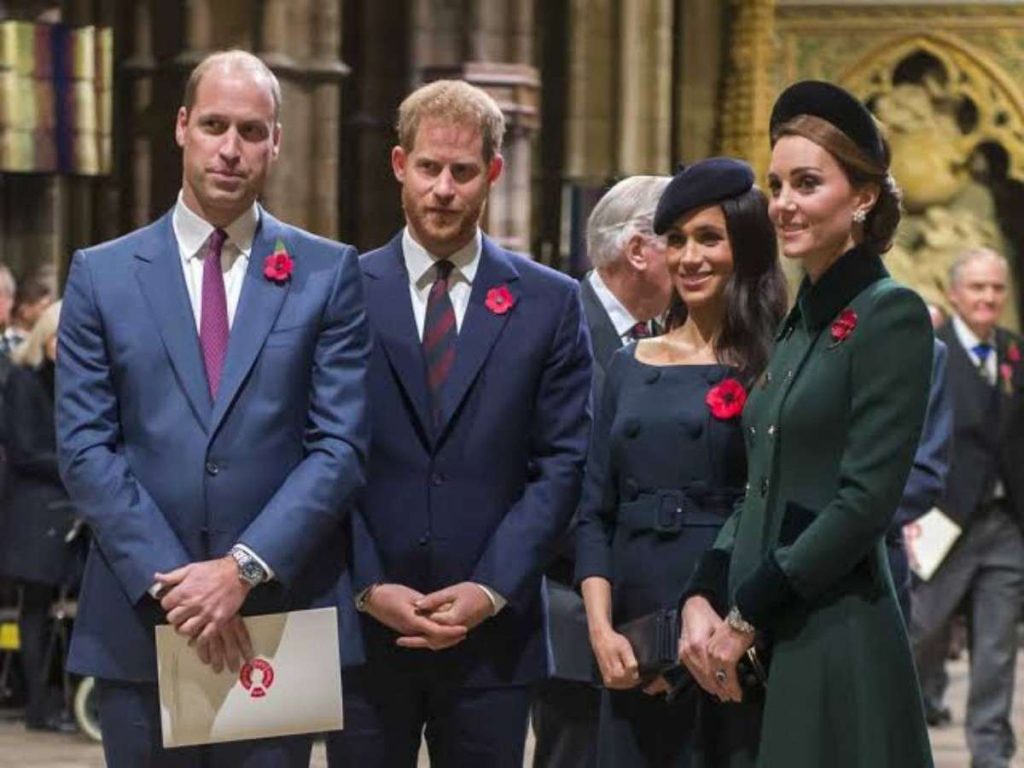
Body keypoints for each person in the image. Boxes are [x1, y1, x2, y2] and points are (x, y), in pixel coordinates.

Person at [56, 50, 370, 767]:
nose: (232, 149)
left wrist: (242, 570)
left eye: (253, 131)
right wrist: (183, 586)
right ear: (181, 128)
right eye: (215, 125)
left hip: (275, 622)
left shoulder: (325, 274)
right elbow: (85, 447)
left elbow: (340, 446)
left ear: (277, 141)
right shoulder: (102, 276)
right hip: (145, 618)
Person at [328, 79, 592, 768]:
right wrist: (365, 583)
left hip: (491, 640)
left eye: (463, 172)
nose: (443, 188)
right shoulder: (339, 293)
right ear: (398, 166)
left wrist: (489, 589)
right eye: (428, 169)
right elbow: (317, 455)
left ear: (492, 175)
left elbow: (563, 463)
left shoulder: (549, 303)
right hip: (364, 628)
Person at [680, 80, 935, 767]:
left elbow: (862, 504)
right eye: (776, 184)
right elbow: (761, 483)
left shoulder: (891, 314)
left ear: (863, 197)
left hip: (833, 635)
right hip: (766, 631)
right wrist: (703, 593)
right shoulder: (798, 321)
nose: (784, 203)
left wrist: (747, 612)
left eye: (807, 183)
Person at [575, 158, 786, 767]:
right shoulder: (627, 362)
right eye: (676, 240)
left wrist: (732, 628)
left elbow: (771, 506)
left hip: (729, 622)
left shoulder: (775, 362)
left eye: (708, 238)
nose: (689, 257)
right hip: (630, 626)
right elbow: (595, 509)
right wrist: (601, 630)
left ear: (744, 248)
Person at [532, 174, 672, 768]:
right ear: (639, 250)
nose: (695, 257)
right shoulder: (552, 323)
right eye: (682, 239)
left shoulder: (671, 339)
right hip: (571, 601)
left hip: (658, 612)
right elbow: (538, 475)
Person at [911, 248, 1024, 768]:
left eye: (997, 288)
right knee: (922, 635)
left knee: (997, 650)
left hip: (1005, 524)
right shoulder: (928, 352)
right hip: (942, 519)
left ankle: (991, 753)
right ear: (954, 294)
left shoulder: (1014, 352)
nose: (988, 298)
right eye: (977, 288)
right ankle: (904, 739)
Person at [0, 300, 79, 732]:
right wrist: (77, 465)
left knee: (62, 608)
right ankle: (38, 705)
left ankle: (64, 697)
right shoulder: (22, 380)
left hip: (64, 507)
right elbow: (25, 449)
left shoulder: (71, 380)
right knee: (34, 607)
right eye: (59, 338)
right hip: (32, 511)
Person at [888, 335, 952, 621]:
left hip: (877, 553)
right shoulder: (796, 339)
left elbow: (926, 472)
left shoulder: (925, 350)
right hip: (786, 557)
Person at [6, 278, 52, 350]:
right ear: (24, 309)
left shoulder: (48, 343)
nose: (49, 312)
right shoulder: (7, 346)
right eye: (44, 308)